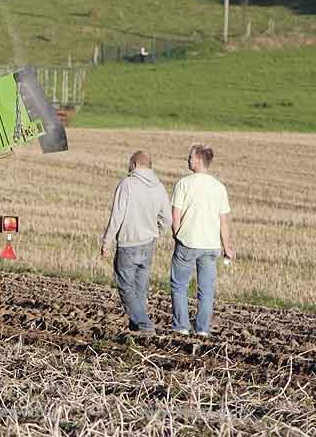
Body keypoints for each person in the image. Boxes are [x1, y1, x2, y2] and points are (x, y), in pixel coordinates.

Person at [100, 151, 172, 335]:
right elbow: (167, 219)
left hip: (128, 243)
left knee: (125, 287)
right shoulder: (159, 186)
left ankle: (144, 325)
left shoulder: (127, 184)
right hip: (148, 243)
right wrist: (156, 232)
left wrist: (107, 242)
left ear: (134, 164)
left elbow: (117, 216)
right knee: (140, 289)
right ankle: (136, 328)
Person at [169, 144, 235, 337]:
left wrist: (177, 234)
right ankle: (203, 330)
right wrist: (227, 247)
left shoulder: (183, 184)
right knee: (205, 290)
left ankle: (181, 327)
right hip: (210, 246)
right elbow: (224, 221)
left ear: (198, 160)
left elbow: (175, 216)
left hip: (187, 242)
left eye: (190, 157)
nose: (187, 160)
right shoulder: (219, 187)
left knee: (179, 286)